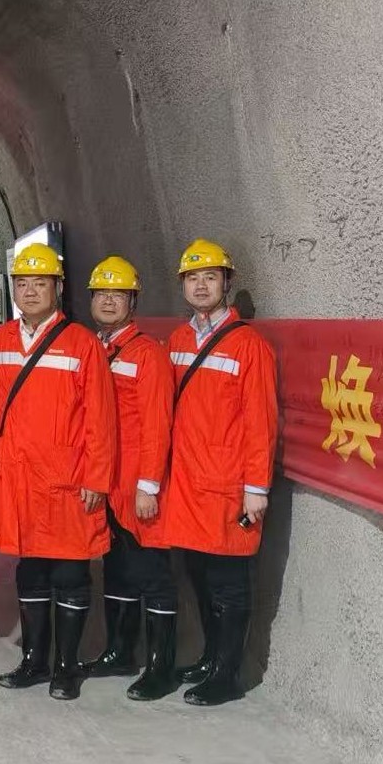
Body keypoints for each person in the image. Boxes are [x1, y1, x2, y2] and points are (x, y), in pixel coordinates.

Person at [0, 243, 117, 700]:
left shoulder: (82, 343)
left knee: (70, 573)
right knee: (31, 571)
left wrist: (97, 478)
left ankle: (66, 667)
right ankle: (34, 661)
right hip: (19, 479)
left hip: (67, 479)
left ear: (58, 288)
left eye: (39, 283)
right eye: (22, 283)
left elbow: (101, 419)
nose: (30, 291)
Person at [165, 239, 277, 706]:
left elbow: (261, 422)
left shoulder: (250, 346)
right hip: (187, 483)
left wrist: (256, 489)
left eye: (210, 277)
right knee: (198, 573)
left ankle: (228, 675)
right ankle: (210, 659)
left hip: (229, 485)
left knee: (229, 580)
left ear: (226, 283)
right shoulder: (177, 341)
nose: (201, 285)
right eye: (193, 278)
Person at [82, 256, 179, 701]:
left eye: (117, 294)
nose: (108, 301)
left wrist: (148, 486)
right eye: (101, 293)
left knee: (152, 573)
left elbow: (158, 424)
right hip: (107, 483)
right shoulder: (92, 349)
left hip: (137, 484)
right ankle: (119, 652)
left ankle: (161, 668)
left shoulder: (147, 354)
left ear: (133, 302)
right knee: (117, 568)